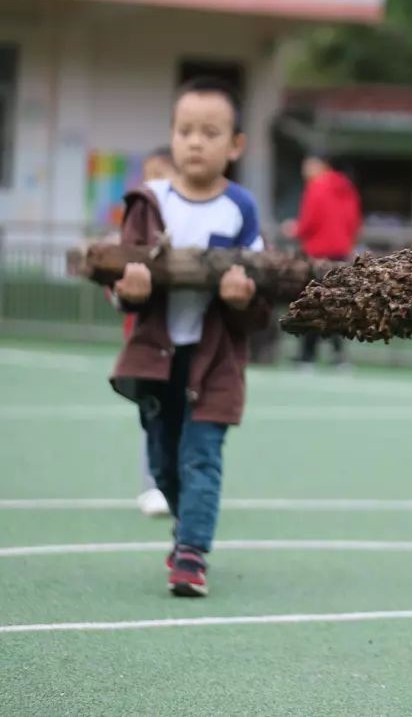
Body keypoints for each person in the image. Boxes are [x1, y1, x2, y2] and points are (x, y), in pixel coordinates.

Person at [109, 77, 269, 597]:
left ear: (236, 145)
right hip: (155, 358)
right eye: (185, 130)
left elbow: (261, 289)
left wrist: (243, 296)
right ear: (171, 137)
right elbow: (118, 277)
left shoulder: (240, 209)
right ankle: (184, 531)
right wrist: (130, 289)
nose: (195, 142)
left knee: (201, 454)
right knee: (162, 460)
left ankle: (192, 554)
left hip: (213, 360)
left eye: (210, 131)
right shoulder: (149, 201)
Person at [281, 152, 362, 367]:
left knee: (312, 302)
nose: (304, 170)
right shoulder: (346, 187)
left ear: (321, 165)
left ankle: (307, 355)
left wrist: (294, 229)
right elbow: (354, 221)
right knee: (336, 302)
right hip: (340, 253)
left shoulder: (316, 186)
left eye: (308, 165)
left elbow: (309, 222)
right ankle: (339, 356)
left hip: (318, 254)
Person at [134, 146, 176, 518]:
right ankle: (152, 484)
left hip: (187, 343)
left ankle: (178, 485)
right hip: (147, 341)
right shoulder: (137, 222)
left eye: (159, 173)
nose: (152, 183)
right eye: (147, 174)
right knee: (152, 413)